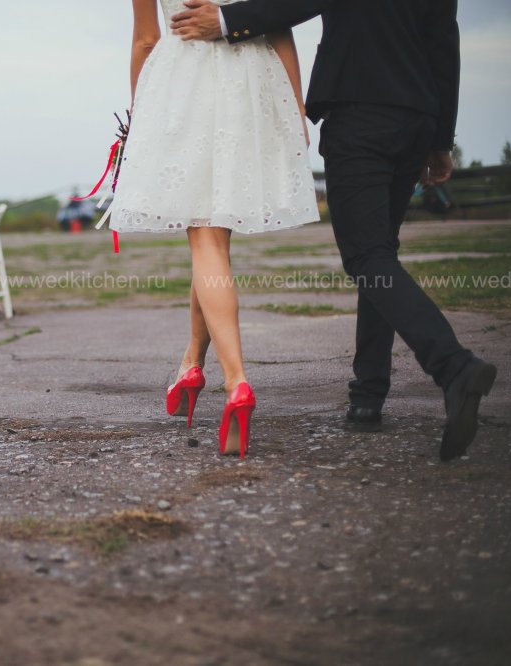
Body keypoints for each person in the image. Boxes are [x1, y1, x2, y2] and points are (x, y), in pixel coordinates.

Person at [170, 0, 496, 461]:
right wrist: (442, 139)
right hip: (417, 117)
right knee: (380, 256)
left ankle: (454, 367)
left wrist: (225, 19)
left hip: (359, 111)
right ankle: (368, 395)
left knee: (367, 256)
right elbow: (445, 43)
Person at [111, 0, 320, 458]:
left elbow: (146, 39)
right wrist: (296, 107)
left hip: (183, 85)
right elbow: (278, 24)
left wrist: (139, 117)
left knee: (206, 242)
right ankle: (191, 362)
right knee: (212, 243)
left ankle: (236, 382)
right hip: (250, 81)